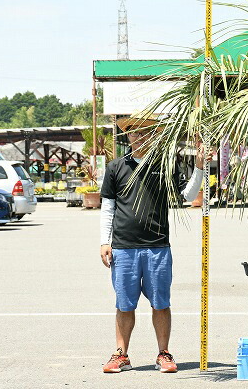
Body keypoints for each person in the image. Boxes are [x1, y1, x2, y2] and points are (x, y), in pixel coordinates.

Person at [100, 115, 207, 374]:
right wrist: (105, 241)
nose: (139, 136)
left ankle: (164, 353)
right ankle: (121, 354)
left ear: (154, 135)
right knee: (124, 303)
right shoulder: (116, 167)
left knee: (160, 302)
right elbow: (108, 207)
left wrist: (201, 167)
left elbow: (188, 195)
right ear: (128, 136)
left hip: (158, 246)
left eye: (146, 131)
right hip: (123, 247)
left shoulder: (165, 165)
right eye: (134, 132)